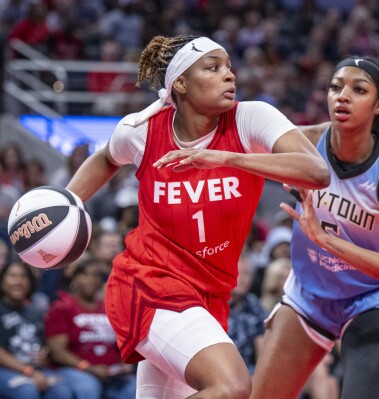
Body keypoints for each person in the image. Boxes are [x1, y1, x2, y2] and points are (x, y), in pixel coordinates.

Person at [65, 35, 329, 399]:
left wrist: (230, 158)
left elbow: (317, 172)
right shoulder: (143, 130)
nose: (230, 76)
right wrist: (66, 204)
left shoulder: (250, 117)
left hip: (210, 295)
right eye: (214, 67)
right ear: (181, 84)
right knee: (232, 386)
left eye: (229, 67)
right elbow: (107, 158)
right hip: (151, 286)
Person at [250, 55, 379, 399]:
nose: (342, 96)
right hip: (309, 295)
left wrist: (327, 241)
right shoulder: (304, 142)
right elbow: (240, 142)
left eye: (358, 90)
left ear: (378, 106)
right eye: (335, 87)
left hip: (372, 299)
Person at [0, 262, 72, 399]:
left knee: (61, 390)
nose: (18, 281)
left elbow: (43, 344)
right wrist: (29, 372)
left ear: (30, 283)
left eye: (23, 277)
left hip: (33, 367)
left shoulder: (36, 312)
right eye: (12, 276)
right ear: (2, 282)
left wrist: (45, 354)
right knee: (27, 390)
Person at [45, 259, 137, 399]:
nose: (90, 280)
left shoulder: (109, 307)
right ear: (74, 279)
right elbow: (57, 352)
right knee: (88, 387)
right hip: (74, 370)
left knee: (134, 387)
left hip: (111, 372)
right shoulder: (62, 308)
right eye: (85, 274)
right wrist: (88, 368)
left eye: (95, 276)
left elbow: (123, 342)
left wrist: (123, 364)